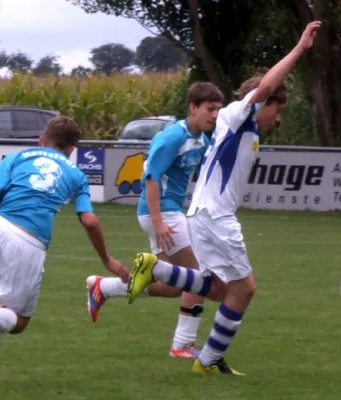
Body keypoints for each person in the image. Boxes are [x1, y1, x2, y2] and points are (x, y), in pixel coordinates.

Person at [127, 21, 323, 375]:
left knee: (218, 289)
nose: (278, 117)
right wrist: (299, 49)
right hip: (215, 218)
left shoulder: (245, 130)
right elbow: (265, 85)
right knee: (244, 290)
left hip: (204, 216)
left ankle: (157, 272)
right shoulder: (236, 115)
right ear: (260, 104)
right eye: (276, 108)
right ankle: (208, 360)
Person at [0, 116, 129, 384]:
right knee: (18, 321)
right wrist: (107, 259)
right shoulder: (76, 174)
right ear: (72, 148)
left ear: (42, 139)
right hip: (27, 242)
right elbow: (89, 220)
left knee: (9, 305)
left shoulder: (16, 158)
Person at [85, 82, 224, 359]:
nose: (215, 115)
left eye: (219, 110)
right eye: (210, 109)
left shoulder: (202, 139)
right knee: (201, 277)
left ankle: (104, 287)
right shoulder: (172, 137)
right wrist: (159, 222)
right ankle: (182, 345)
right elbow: (150, 178)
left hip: (168, 212)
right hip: (162, 212)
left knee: (174, 286)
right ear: (193, 108)